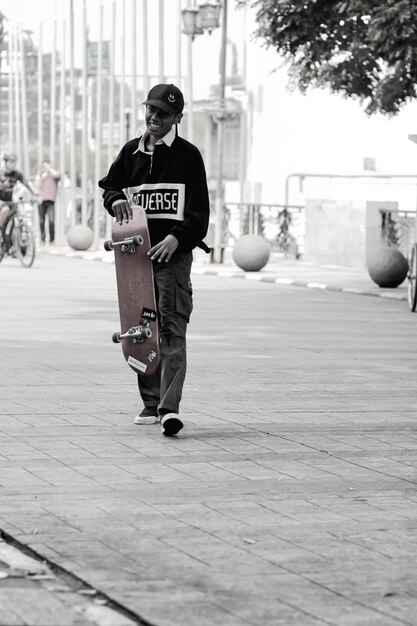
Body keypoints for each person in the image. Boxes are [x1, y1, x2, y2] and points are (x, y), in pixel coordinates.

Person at [99, 83, 210, 437]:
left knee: (172, 328)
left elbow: (198, 216)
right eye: (151, 110)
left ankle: (168, 408)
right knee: (141, 329)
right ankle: (149, 401)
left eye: (163, 113)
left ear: (178, 118)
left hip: (173, 260)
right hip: (134, 259)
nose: (155, 117)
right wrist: (115, 198)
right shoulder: (130, 153)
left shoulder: (189, 157)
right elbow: (109, 186)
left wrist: (176, 239)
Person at [0, 153, 35, 251]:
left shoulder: (16, 174)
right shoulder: (1, 173)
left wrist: (34, 194)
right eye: (10, 162)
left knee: (16, 222)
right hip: (1, 201)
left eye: (14, 162)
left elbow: (26, 183)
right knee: (5, 211)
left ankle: (16, 248)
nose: (13, 164)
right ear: (5, 162)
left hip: (10, 201)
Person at [37, 159, 60, 245]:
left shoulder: (54, 176)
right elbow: (38, 186)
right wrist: (41, 175)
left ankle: (52, 240)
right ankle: (42, 239)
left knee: (51, 221)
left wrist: (49, 169)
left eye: (46, 165)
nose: (45, 168)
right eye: (43, 166)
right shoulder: (41, 176)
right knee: (41, 221)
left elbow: (57, 175)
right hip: (41, 201)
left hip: (50, 201)